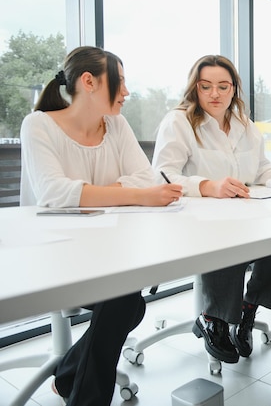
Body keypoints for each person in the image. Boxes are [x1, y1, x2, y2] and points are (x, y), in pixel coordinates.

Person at [20, 46, 183, 405]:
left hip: (108, 252)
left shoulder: (117, 125)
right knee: (128, 304)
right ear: (89, 82)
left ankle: (68, 376)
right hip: (53, 256)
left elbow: (145, 176)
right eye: (120, 82)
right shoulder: (39, 124)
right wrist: (134, 195)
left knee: (128, 303)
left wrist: (93, 194)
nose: (127, 92)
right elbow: (53, 191)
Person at [152, 55, 271, 364]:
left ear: (233, 89)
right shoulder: (179, 121)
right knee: (227, 237)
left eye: (223, 87)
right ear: (194, 89)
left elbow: (262, 167)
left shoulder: (244, 125)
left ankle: (248, 307)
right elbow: (162, 175)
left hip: (240, 216)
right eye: (206, 86)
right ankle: (215, 318)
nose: (215, 94)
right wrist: (206, 186)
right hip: (193, 222)